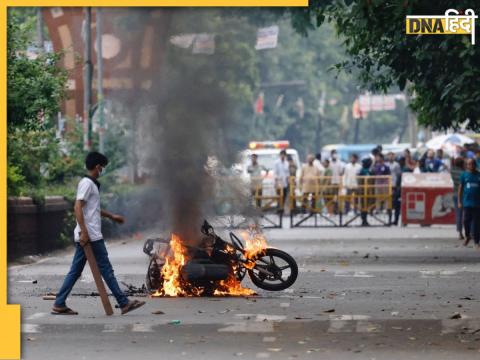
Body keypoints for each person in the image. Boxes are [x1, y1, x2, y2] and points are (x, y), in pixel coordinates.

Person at [52, 152, 145, 315]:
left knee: (76, 271)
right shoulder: (87, 183)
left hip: (89, 235)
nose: (102, 170)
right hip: (91, 236)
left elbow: (92, 209)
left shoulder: (90, 184)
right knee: (106, 269)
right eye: (102, 167)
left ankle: (59, 303)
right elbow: (77, 206)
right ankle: (124, 303)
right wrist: (84, 232)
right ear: (97, 166)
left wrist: (111, 216)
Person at [458, 158, 480, 249]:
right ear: (467, 165)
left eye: (472, 164)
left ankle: (476, 242)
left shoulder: (478, 175)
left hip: (477, 204)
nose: (471, 166)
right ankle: (467, 236)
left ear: (475, 165)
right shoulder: (464, 175)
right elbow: (460, 189)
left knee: (477, 224)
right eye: (469, 164)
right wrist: (459, 201)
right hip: (467, 203)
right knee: (466, 221)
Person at [451, 157, 465, 240]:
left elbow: (452, 166)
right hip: (464, 194)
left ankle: (460, 233)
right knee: (468, 214)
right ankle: (470, 232)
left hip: (455, 194)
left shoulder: (452, 171)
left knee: (458, 214)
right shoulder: (464, 173)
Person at [358, 158, 373, 226]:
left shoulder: (366, 170)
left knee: (365, 205)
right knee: (364, 205)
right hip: (364, 190)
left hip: (367, 190)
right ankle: (364, 220)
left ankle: (364, 220)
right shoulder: (363, 171)